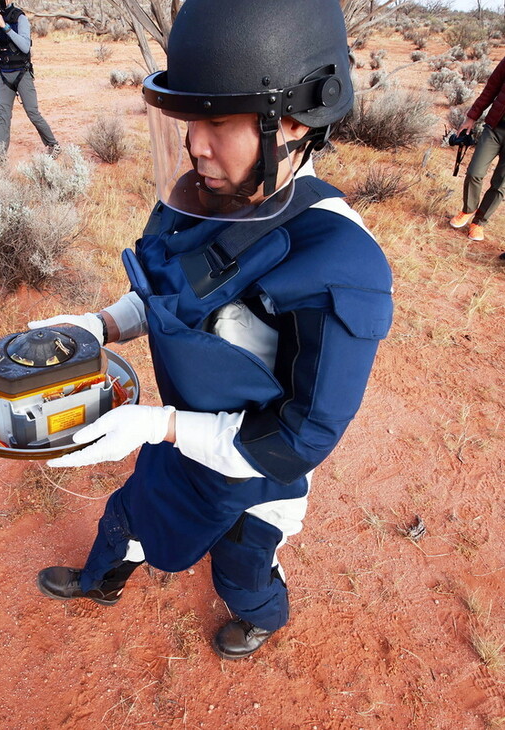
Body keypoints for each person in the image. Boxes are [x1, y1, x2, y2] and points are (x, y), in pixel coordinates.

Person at [31, 0, 393, 660]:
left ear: (289, 120)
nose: (196, 144)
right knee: (128, 514)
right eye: (188, 119)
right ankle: (100, 581)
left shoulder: (341, 264)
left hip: (254, 476)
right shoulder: (204, 193)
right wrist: (101, 324)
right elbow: (167, 294)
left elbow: (294, 440)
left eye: (218, 120)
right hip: (181, 437)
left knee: (240, 568)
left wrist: (159, 424)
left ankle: (263, 615)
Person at [0, 0, 60, 157]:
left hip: (22, 72)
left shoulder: (19, 17)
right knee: (2, 115)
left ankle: (53, 144)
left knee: (32, 112)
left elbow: (25, 46)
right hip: (4, 74)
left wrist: (5, 27)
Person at [449, 56, 505, 243]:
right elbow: (491, 89)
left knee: (500, 185)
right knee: (474, 172)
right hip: (495, 129)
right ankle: (468, 208)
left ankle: (479, 222)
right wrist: (472, 117)